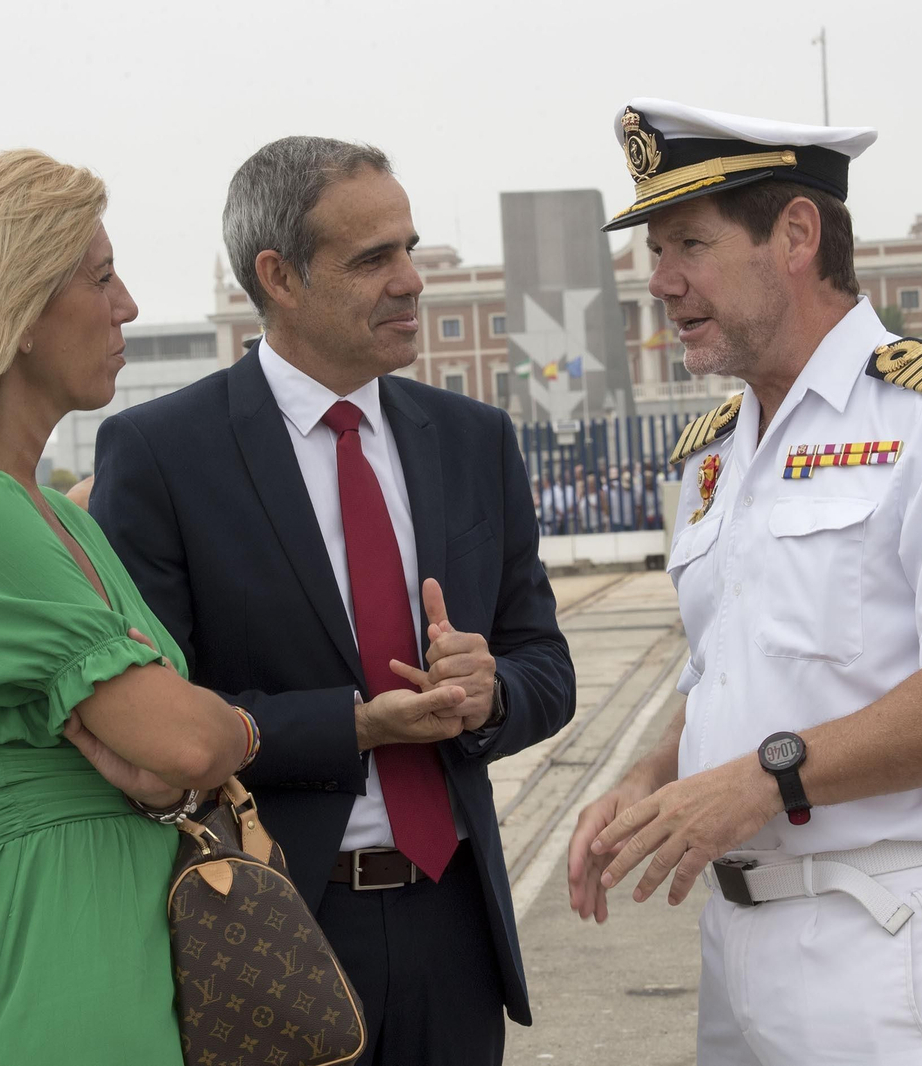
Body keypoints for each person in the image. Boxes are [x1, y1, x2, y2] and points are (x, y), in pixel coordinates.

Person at [566, 100, 922, 1065]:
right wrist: (646, 779)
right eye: (657, 252)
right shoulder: (720, 451)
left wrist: (765, 778)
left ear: (796, 233)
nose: (660, 283)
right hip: (740, 933)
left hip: (888, 938)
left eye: (689, 246)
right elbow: (736, 669)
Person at [90, 136, 577, 1066]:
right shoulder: (162, 455)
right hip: (274, 924)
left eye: (410, 247)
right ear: (279, 276)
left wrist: (493, 693)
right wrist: (357, 726)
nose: (412, 280)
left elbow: (545, 665)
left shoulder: (474, 441)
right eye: (373, 259)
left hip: (457, 926)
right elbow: (148, 723)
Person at [0, 149, 253, 1064]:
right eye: (101, 277)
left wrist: (195, 740)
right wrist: (234, 736)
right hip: (58, 967)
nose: (128, 307)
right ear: (17, 311)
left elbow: (178, 745)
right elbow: (187, 745)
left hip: (102, 953)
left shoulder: (36, 509)